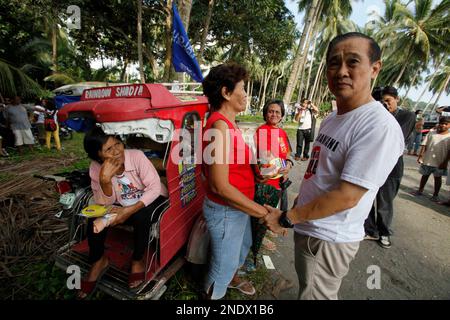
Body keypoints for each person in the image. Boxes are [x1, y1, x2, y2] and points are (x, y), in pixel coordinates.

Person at [263, 32, 404, 300]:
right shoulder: (333, 118)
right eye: (333, 63)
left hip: (328, 238)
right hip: (310, 227)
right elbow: (320, 176)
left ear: (375, 69)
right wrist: (293, 215)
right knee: (309, 289)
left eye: (352, 62)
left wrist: (287, 217)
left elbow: (347, 196)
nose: (341, 72)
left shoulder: (378, 127)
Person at [201, 63, 269, 300]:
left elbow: (230, 166)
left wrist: (255, 171)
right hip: (226, 211)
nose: (246, 95)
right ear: (226, 93)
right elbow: (219, 185)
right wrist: (263, 213)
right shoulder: (219, 126)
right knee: (221, 268)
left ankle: (232, 278)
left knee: (238, 252)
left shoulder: (229, 124)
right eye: (243, 89)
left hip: (237, 207)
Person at [77, 126, 168, 299]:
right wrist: (104, 181)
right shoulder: (96, 168)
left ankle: (138, 260)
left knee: (141, 216)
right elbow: (103, 204)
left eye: (117, 144)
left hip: (151, 199)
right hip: (120, 205)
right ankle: (98, 261)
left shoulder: (136, 156)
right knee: (95, 217)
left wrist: (129, 211)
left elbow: (155, 187)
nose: (117, 151)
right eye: (108, 149)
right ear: (98, 155)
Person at [364, 86, 416, 249]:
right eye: (382, 101)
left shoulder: (407, 116)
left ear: (397, 99)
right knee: (366, 199)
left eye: (388, 101)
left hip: (392, 167)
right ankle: (370, 230)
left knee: (385, 202)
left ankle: (384, 233)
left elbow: (395, 138)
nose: (386, 104)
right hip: (373, 163)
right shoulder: (376, 116)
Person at [410, 116, 450, 202]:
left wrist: (445, 162)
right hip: (427, 160)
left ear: (449, 125)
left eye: (446, 124)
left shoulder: (449, 136)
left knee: (437, 179)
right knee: (424, 176)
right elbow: (424, 145)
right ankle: (420, 190)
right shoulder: (431, 133)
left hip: (440, 163)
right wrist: (420, 156)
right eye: (441, 123)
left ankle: (435, 195)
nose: (443, 125)